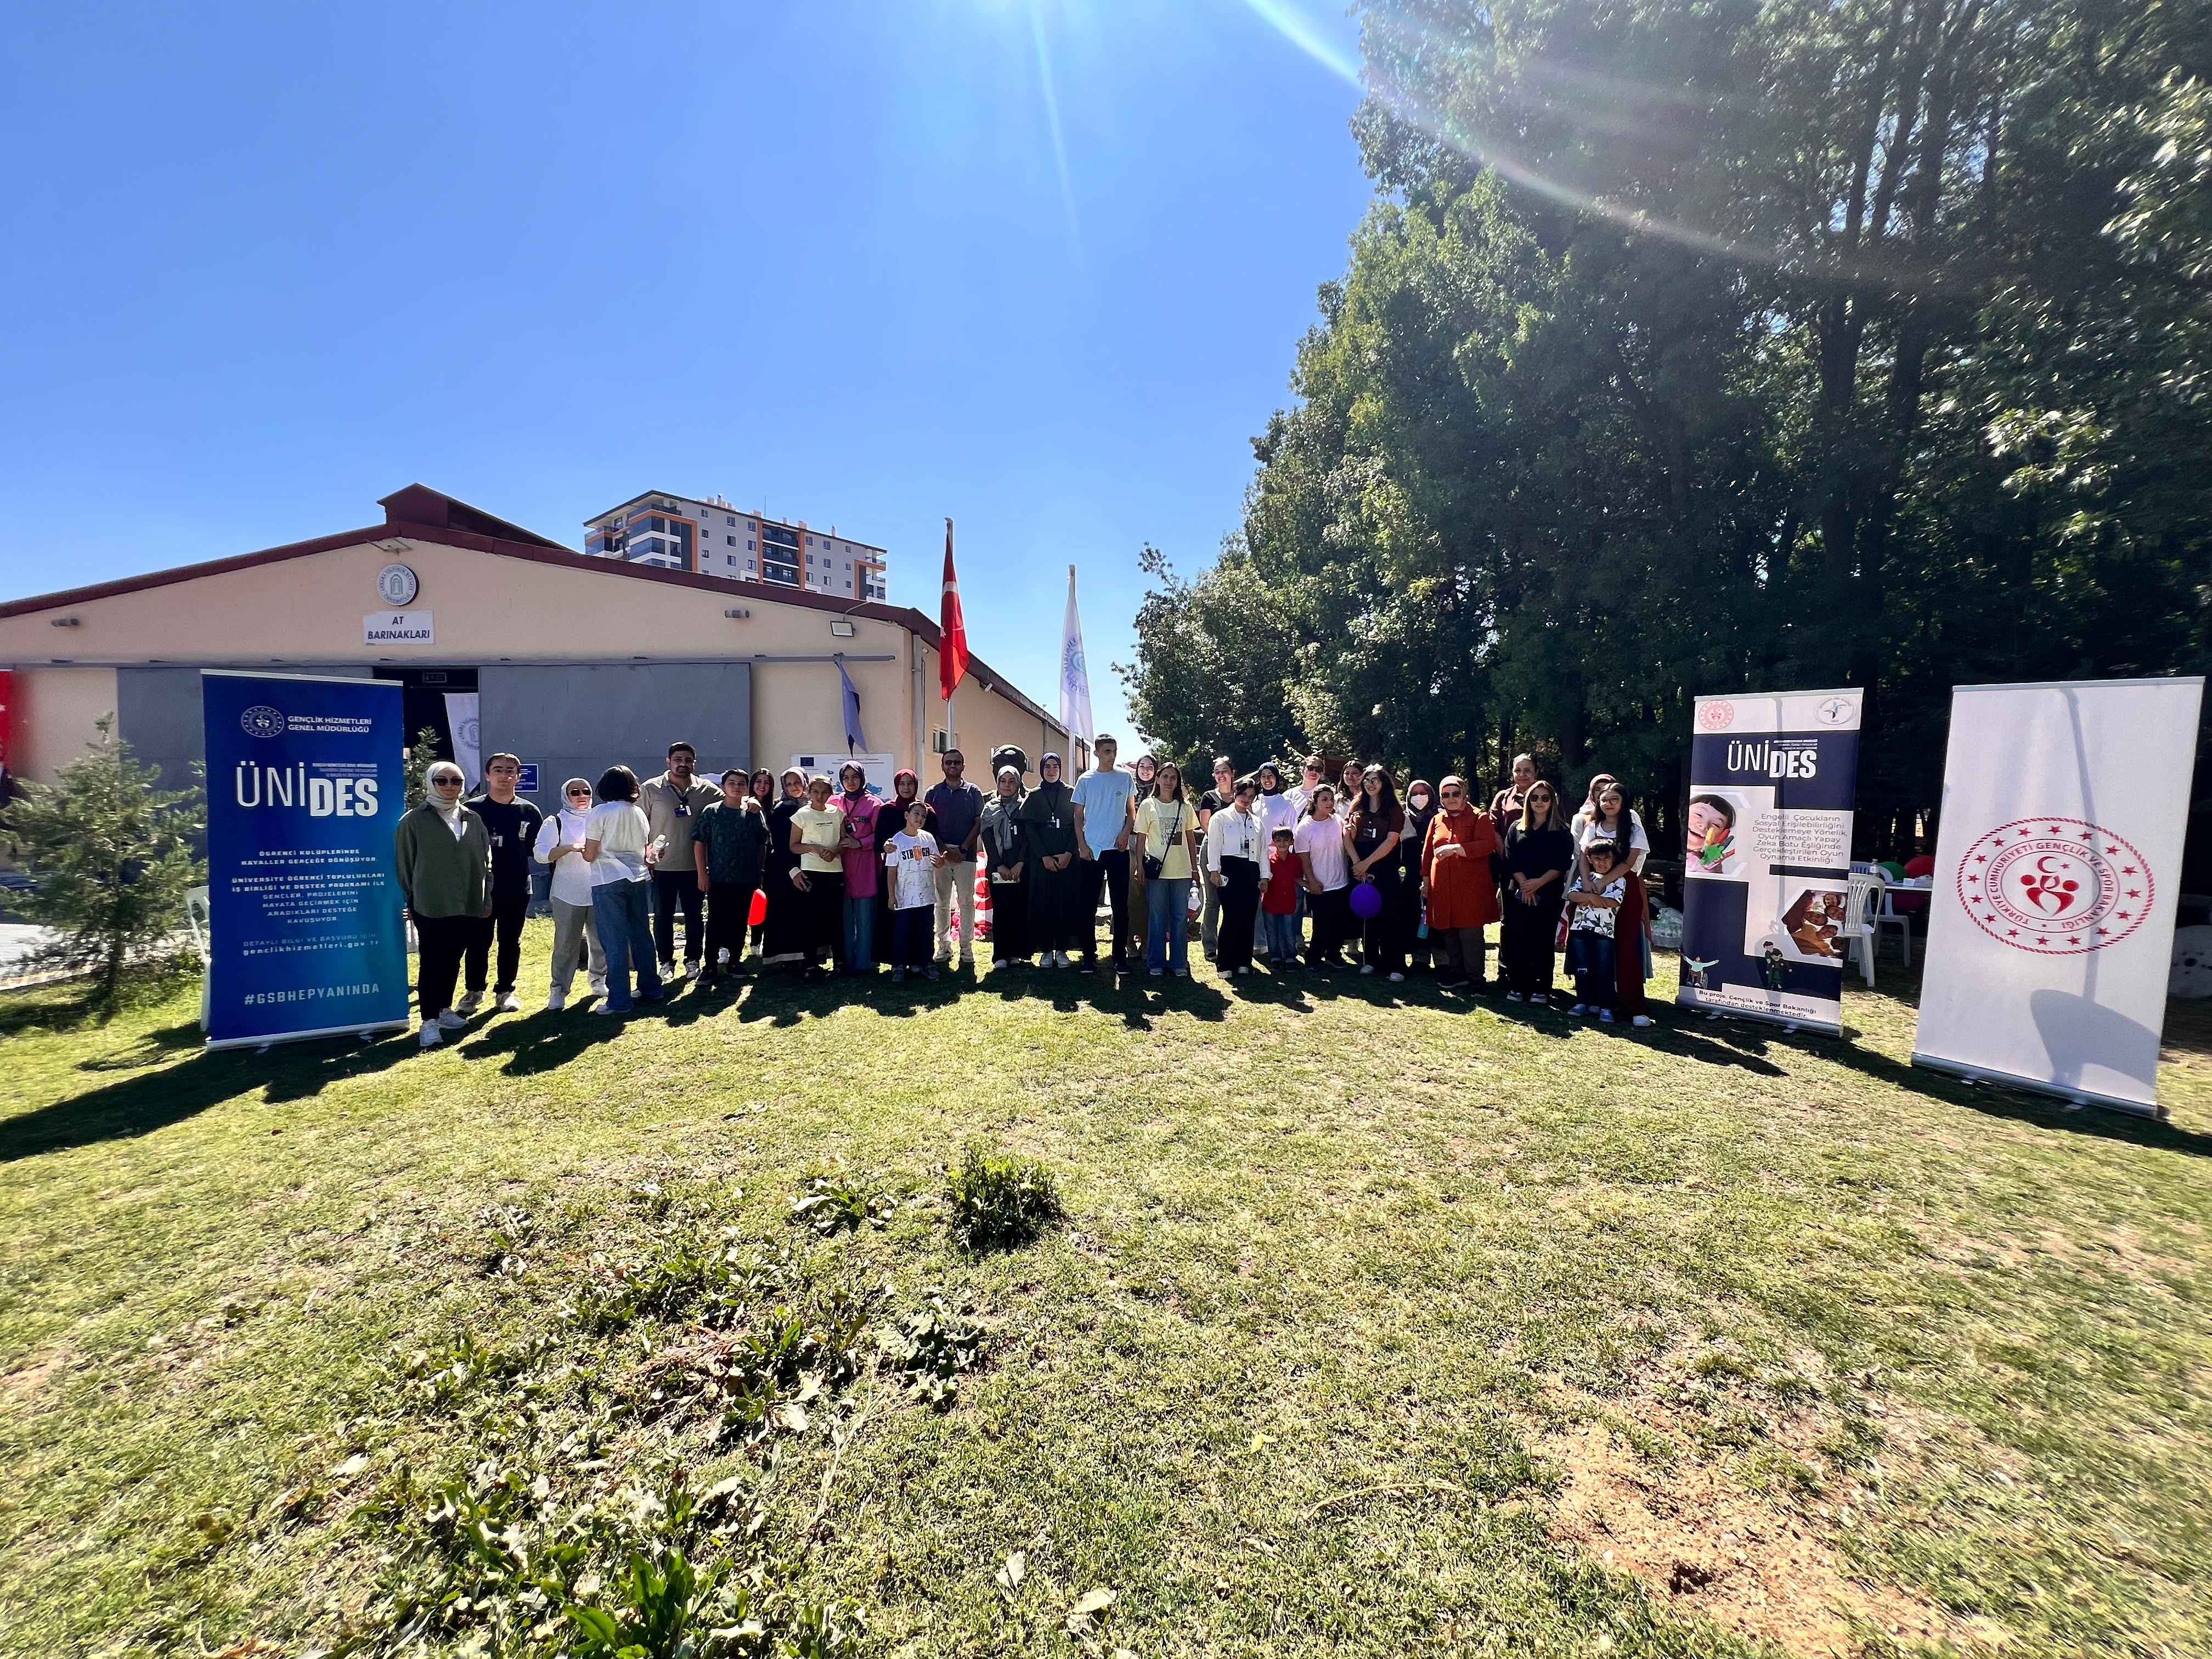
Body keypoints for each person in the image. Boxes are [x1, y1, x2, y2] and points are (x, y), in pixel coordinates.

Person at [395, 760, 493, 1048]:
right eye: (443, 781)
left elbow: (486, 861)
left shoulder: (472, 819)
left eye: (456, 781)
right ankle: (428, 1021)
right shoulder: (414, 820)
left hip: (468, 902)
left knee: (453, 959)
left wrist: (486, 897)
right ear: (431, 783)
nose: (450, 787)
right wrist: (411, 899)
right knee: (433, 962)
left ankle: (444, 1010)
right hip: (432, 903)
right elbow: (404, 865)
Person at [461, 752, 543, 1014]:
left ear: (519, 777)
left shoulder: (529, 811)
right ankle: (474, 992)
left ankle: (505, 992)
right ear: (488, 775)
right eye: (498, 770)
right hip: (480, 887)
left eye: (511, 771)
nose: (504, 775)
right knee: (477, 941)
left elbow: (537, 849)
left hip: (516, 887)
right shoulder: (471, 810)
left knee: (510, 941)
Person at [581, 765, 664, 1014]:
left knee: (614, 940)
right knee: (641, 935)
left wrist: (579, 850)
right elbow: (644, 848)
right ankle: (652, 988)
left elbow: (590, 854)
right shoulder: (638, 812)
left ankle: (619, 999)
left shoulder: (600, 812)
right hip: (637, 878)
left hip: (608, 879)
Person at [641, 743, 718, 981]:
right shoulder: (651, 788)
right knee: (662, 916)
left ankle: (693, 960)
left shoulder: (708, 790)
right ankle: (665, 962)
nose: (682, 764)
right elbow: (640, 825)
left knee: (695, 916)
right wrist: (646, 854)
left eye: (688, 760)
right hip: (661, 868)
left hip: (695, 867)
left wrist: (751, 802)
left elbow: (733, 801)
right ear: (668, 761)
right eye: (677, 759)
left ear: (694, 763)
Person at [533, 776, 608, 1010]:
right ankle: (559, 989)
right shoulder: (556, 821)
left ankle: (599, 980)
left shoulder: (601, 816)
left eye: (586, 791)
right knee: (566, 944)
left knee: (601, 941)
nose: (582, 796)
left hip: (599, 888)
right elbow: (540, 854)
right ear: (566, 795)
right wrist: (569, 848)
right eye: (575, 792)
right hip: (568, 892)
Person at [1421, 776, 1501, 992]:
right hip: (1441, 887)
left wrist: (1457, 848)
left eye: (1455, 794)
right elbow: (1428, 852)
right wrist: (1426, 882)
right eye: (1446, 795)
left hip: (1470, 888)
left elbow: (1487, 845)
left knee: (1470, 932)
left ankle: (1476, 978)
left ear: (1465, 794)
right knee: (1448, 930)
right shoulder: (1437, 820)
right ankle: (1458, 973)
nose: (1451, 799)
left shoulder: (1479, 817)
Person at [693, 769, 768, 988]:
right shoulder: (712, 812)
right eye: (732, 783)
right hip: (718, 878)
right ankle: (710, 967)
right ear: (724, 786)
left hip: (746, 878)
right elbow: (699, 843)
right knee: (716, 922)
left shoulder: (754, 812)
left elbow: (762, 842)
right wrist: (702, 873)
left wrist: (760, 872)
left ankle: (735, 961)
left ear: (747, 788)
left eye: (741, 784)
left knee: (739, 922)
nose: (737, 787)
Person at [1499, 780, 1573, 1002]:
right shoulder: (1516, 827)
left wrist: (1537, 884)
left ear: (1552, 802)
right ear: (1528, 801)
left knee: (1542, 940)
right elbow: (1510, 858)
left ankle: (1541, 988)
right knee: (1518, 939)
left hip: (1548, 893)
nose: (1539, 802)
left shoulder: (1562, 831)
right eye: (1534, 798)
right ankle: (1518, 985)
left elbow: (1560, 865)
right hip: (1519, 892)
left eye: (1544, 798)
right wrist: (1525, 885)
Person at [1071, 735, 1136, 975]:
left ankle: (1120, 957)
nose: (1112, 755)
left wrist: (1125, 833)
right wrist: (1082, 845)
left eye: (1115, 751)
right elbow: (1078, 817)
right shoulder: (1086, 780)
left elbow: (1132, 813)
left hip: (1118, 851)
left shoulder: (1125, 778)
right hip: (1092, 852)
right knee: (1088, 906)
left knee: (1121, 906)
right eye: (1107, 751)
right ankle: (1089, 956)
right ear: (1097, 753)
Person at [1135, 761, 1201, 976]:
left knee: (1180, 918)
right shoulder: (1148, 805)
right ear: (1158, 779)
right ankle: (1156, 962)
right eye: (1165, 777)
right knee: (1157, 917)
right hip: (1158, 873)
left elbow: (1191, 838)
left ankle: (1178, 962)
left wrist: (1194, 868)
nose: (1169, 781)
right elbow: (1141, 839)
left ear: (1177, 782)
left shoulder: (1186, 807)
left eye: (1173, 778)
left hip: (1181, 872)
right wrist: (1139, 867)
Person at [924, 749, 984, 969]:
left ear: (963, 767)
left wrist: (963, 848)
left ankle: (966, 948)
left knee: (967, 903)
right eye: (949, 762)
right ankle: (943, 946)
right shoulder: (933, 793)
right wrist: (944, 851)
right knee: (941, 903)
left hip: (966, 855)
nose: (953, 765)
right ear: (942, 766)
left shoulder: (973, 792)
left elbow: (978, 823)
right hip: (939, 856)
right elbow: (928, 825)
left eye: (957, 762)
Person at [1346, 765, 1406, 981]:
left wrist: (1367, 864)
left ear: (1384, 784)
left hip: (1384, 865)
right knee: (1368, 914)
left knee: (1391, 915)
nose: (1370, 784)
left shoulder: (1394, 809)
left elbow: (1391, 842)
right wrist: (1357, 862)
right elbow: (1347, 836)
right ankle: (1371, 960)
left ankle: (1396, 965)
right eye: (1367, 780)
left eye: (1375, 780)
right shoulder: (1356, 806)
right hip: (1361, 865)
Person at [1019, 752, 1080, 967]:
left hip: (1067, 858)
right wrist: (1044, 856)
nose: (1051, 771)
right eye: (1047, 767)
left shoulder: (1072, 794)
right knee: (1043, 902)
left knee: (1065, 901)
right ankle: (1046, 949)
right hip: (1042, 859)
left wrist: (1069, 853)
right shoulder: (1034, 796)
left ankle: (1062, 948)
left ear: (1060, 769)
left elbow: (1078, 826)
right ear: (1042, 769)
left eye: (1055, 766)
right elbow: (1030, 828)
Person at [789, 773, 849, 983]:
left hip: (835, 872)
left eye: (825, 792)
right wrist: (813, 848)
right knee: (812, 919)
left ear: (831, 794)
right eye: (816, 791)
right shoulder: (801, 815)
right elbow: (794, 846)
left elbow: (844, 842)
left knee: (835, 919)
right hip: (811, 872)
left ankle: (840, 962)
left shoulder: (837, 813)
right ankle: (811, 964)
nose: (820, 795)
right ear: (809, 793)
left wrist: (834, 851)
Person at [1204, 773, 1263, 975]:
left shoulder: (1257, 822)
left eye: (1251, 796)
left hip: (1251, 869)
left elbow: (1263, 851)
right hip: (1229, 868)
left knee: (1248, 917)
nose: (1246, 799)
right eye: (1243, 794)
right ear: (1235, 794)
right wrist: (1214, 870)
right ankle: (1225, 964)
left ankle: (1243, 962)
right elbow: (1214, 846)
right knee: (1231, 916)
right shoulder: (1220, 817)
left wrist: (1265, 876)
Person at [1565, 838, 1627, 1020]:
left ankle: (1606, 1006)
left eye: (1606, 858)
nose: (1602, 863)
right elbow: (1571, 895)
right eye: (1597, 859)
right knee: (1582, 968)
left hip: (1604, 933)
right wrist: (1593, 898)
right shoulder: (1586, 878)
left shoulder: (1619, 880)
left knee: (1603, 969)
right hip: (1580, 931)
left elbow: (1614, 902)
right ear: (1590, 860)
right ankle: (1583, 1002)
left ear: (1613, 858)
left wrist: (1588, 898)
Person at [883, 798, 943, 983]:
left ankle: (928, 964)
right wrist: (891, 895)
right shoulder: (896, 841)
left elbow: (937, 861)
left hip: (926, 896)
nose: (920, 818)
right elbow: (892, 870)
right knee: (902, 933)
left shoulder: (928, 838)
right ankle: (899, 966)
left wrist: (941, 862)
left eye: (923, 816)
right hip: (904, 897)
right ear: (907, 816)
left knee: (926, 932)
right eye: (916, 814)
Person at [1294, 783, 1353, 968]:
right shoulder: (1305, 828)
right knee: (1321, 925)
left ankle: (1334, 955)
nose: (1329, 803)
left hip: (1341, 882)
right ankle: (1313, 958)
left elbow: (1347, 843)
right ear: (1315, 801)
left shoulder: (1337, 820)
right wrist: (1311, 882)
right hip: (1320, 885)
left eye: (1331, 799)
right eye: (1324, 799)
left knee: (1339, 923)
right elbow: (1304, 859)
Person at [979, 764, 1031, 970]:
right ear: (997, 783)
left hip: (1020, 863)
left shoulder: (1025, 807)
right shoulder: (989, 809)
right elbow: (987, 838)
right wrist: (999, 865)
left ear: (1018, 784)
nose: (1007, 786)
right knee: (1001, 909)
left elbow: (1027, 838)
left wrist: (1020, 863)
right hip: (997, 864)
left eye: (1012, 782)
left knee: (1018, 908)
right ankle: (1001, 954)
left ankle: (1016, 953)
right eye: (1003, 781)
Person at [834, 763, 882, 974]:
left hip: (866, 866)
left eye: (855, 777)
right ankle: (846, 962)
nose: (850, 782)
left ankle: (863, 963)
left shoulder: (874, 804)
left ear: (862, 778)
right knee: (844, 918)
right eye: (846, 778)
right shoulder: (834, 802)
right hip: (840, 866)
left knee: (864, 917)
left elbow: (881, 836)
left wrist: (861, 843)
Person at [761, 769, 809, 967]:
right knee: (785, 913)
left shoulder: (813, 806)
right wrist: (792, 870)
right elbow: (779, 844)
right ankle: (785, 958)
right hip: (785, 869)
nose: (793, 787)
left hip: (808, 865)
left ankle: (807, 956)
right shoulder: (781, 810)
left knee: (805, 913)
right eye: (788, 784)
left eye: (797, 782)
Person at [873, 766, 924, 947]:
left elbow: (929, 840)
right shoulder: (887, 810)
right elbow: (878, 840)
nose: (906, 788)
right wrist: (885, 846)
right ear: (896, 786)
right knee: (893, 914)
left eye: (910, 783)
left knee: (918, 916)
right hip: (893, 871)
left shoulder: (924, 811)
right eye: (902, 784)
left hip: (917, 873)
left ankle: (918, 960)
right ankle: (895, 960)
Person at [1197, 756, 1235, 962]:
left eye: (1225, 771)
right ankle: (1210, 945)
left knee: (1232, 902)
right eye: (1218, 772)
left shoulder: (1240, 795)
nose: (1221, 775)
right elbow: (1206, 826)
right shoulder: (1208, 797)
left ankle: (1231, 943)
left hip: (1235, 856)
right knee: (1213, 902)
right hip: (1211, 851)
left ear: (1232, 774)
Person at [1575, 775, 1650, 876]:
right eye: (1604, 800)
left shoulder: (1635, 830)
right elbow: (1583, 855)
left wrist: (1603, 882)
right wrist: (1586, 880)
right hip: (1595, 881)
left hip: (1626, 880)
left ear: (1623, 801)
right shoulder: (1592, 827)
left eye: (1614, 799)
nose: (1608, 804)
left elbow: (1629, 863)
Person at [1401, 778, 1438, 974]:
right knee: (1416, 917)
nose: (1419, 797)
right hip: (1412, 876)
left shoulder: (1441, 817)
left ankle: (1442, 961)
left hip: (1439, 875)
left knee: (1439, 917)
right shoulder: (1403, 817)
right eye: (1414, 794)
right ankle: (1420, 958)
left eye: (1423, 792)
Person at [1260, 825, 1302, 967]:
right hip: (1270, 903)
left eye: (1286, 840)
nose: (1282, 844)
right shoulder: (1268, 860)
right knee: (1272, 932)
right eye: (1279, 840)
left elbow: (1296, 878)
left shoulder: (1296, 860)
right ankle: (1275, 955)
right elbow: (1263, 879)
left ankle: (1290, 955)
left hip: (1288, 903)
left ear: (1292, 842)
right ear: (1273, 842)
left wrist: (1310, 885)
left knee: (1289, 932)